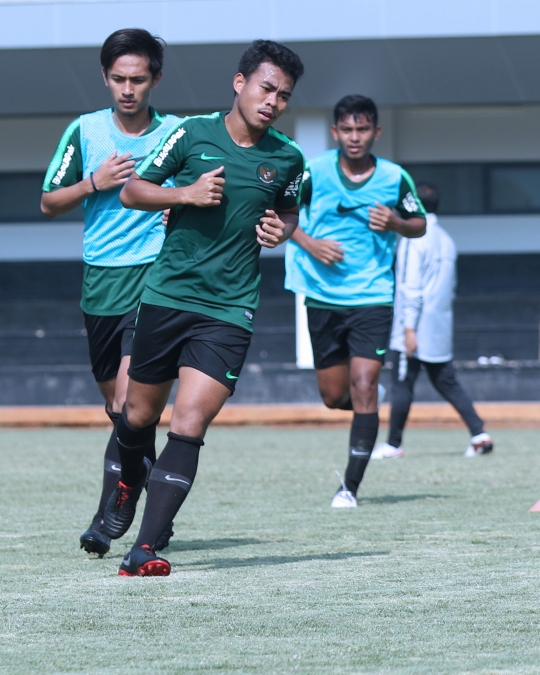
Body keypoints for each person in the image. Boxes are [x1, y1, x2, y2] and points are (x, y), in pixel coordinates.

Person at [101, 39, 305, 577]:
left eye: (283, 95)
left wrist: (277, 232)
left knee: (189, 423)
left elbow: (288, 215)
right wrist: (185, 195)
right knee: (136, 416)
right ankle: (126, 485)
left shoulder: (288, 157)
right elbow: (134, 191)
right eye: (266, 88)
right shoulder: (191, 134)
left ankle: (144, 549)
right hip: (167, 297)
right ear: (240, 83)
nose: (272, 102)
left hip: (230, 308)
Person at [41, 28, 181, 557]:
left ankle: (112, 517)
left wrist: (179, 204)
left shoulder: (176, 133)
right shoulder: (84, 131)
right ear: (105, 77)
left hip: (155, 277)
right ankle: (142, 490)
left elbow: (202, 189)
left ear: (156, 80)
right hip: (101, 282)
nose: (128, 89)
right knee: (119, 412)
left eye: (138, 79)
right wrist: (93, 183)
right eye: (119, 79)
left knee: (128, 401)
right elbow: (49, 202)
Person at [285, 95, 426, 509]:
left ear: (375, 133)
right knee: (334, 396)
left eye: (362, 129)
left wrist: (397, 222)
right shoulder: (313, 171)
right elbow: (278, 212)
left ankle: (349, 487)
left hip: (373, 297)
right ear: (335, 133)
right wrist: (311, 243)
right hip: (321, 296)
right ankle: (367, 409)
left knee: (364, 386)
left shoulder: (395, 177)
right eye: (346, 129)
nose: (354, 137)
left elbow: (418, 224)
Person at [372, 183, 494, 460]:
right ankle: (479, 434)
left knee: (402, 383)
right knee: (446, 381)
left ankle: (393, 445)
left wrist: (408, 328)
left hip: (414, 326)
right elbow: (449, 288)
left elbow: (410, 288)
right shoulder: (446, 239)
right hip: (439, 326)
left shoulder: (414, 239)